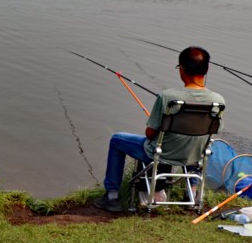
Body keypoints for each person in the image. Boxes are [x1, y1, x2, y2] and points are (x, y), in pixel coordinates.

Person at [94, 46, 226, 213]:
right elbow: (213, 130)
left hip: (163, 154)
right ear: (206, 69)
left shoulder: (168, 97)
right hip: (194, 155)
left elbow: (149, 133)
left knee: (117, 139)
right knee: (198, 142)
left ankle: (111, 197)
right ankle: (191, 193)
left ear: (182, 69)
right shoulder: (218, 100)